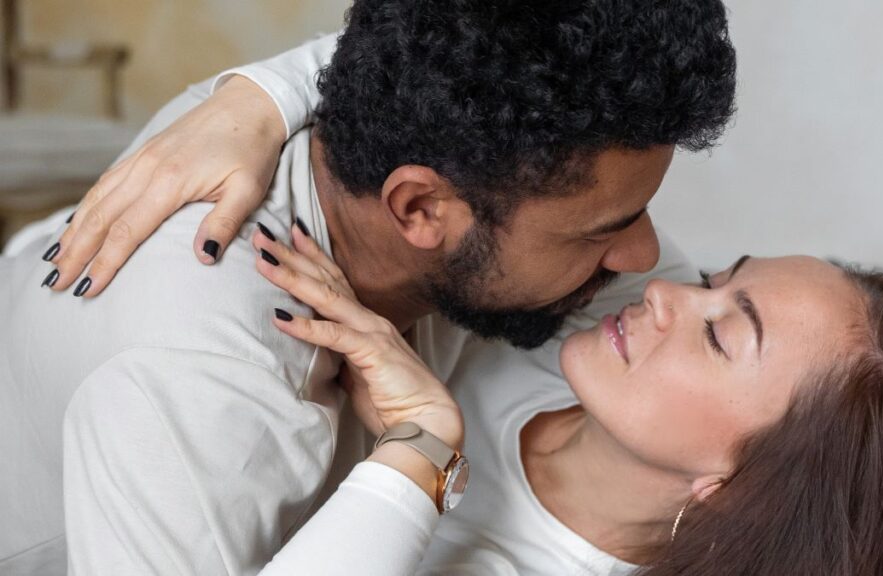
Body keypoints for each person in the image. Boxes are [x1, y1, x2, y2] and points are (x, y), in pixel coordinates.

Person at [0, 1, 737, 573]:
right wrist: (420, 452)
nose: (643, 258)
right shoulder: (214, 389)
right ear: (419, 209)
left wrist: (259, 92)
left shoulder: (369, 119)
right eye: (605, 228)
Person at [244, 227, 883, 575]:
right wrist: (253, 102)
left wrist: (419, 444)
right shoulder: (594, 304)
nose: (661, 290)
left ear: (736, 488)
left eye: (720, 337)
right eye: (720, 281)